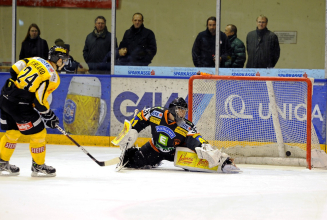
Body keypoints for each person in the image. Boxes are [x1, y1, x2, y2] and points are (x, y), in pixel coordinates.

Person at [115, 97, 239, 173]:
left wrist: (206, 147)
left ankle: (225, 163)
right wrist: (132, 130)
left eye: (185, 110)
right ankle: (145, 157)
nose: (183, 113)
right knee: (129, 161)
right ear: (173, 109)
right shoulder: (155, 113)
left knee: (201, 162)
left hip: (176, 153)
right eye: (181, 110)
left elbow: (196, 138)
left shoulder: (185, 126)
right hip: (155, 148)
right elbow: (140, 116)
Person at [0, 46, 68, 177]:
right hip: (20, 106)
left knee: (12, 132)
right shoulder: (53, 76)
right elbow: (39, 101)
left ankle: (2, 162)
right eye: (62, 60)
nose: (63, 63)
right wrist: (49, 115)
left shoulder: (36, 59)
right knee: (39, 134)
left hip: (5, 98)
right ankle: (38, 165)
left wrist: (21, 88)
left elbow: (14, 69)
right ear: (56, 59)